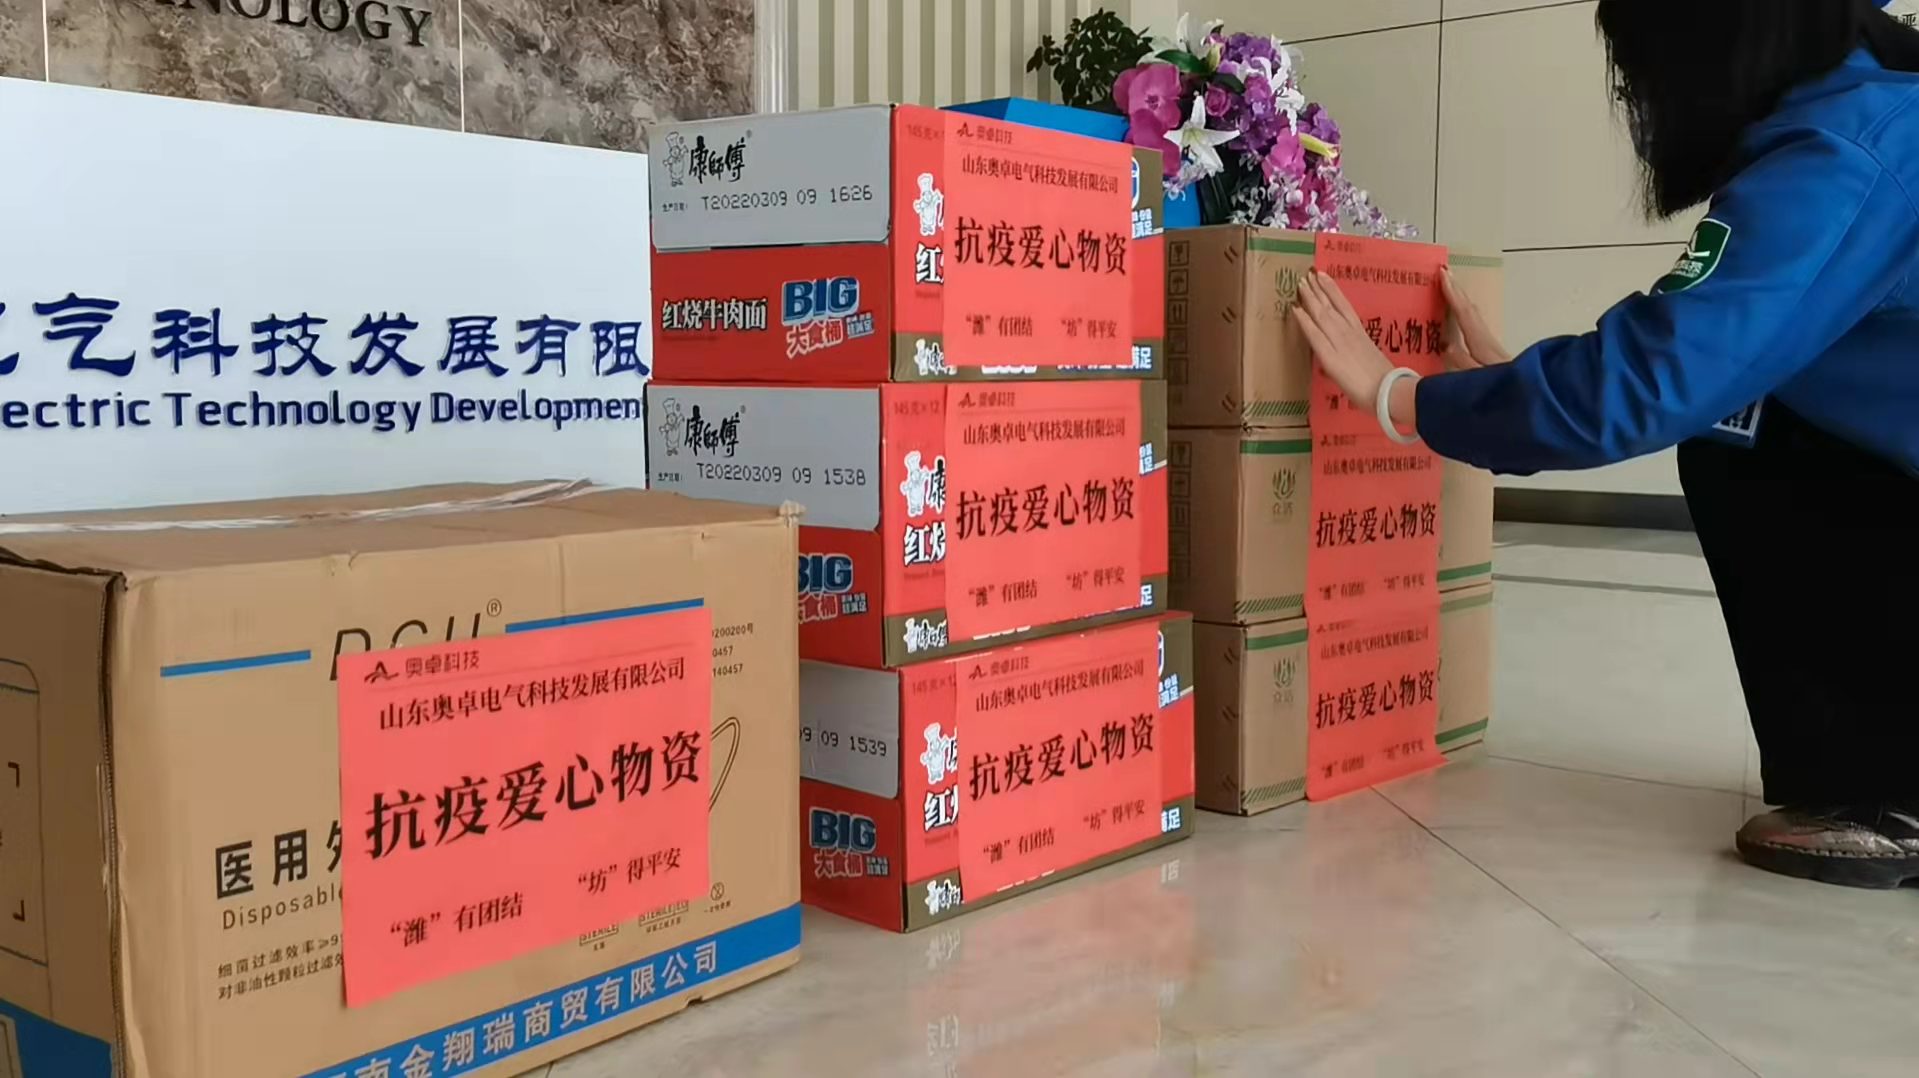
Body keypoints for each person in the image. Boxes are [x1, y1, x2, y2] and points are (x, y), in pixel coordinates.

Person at [1295, 0, 1919, 890]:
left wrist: (1398, 396)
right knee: (1736, 419)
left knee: (1732, 441)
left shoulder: (1847, 151)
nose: (1639, 101)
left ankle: (1889, 792)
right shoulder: (1877, 102)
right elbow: (1705, 360)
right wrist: (1494, 395)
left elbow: (1656, 378)